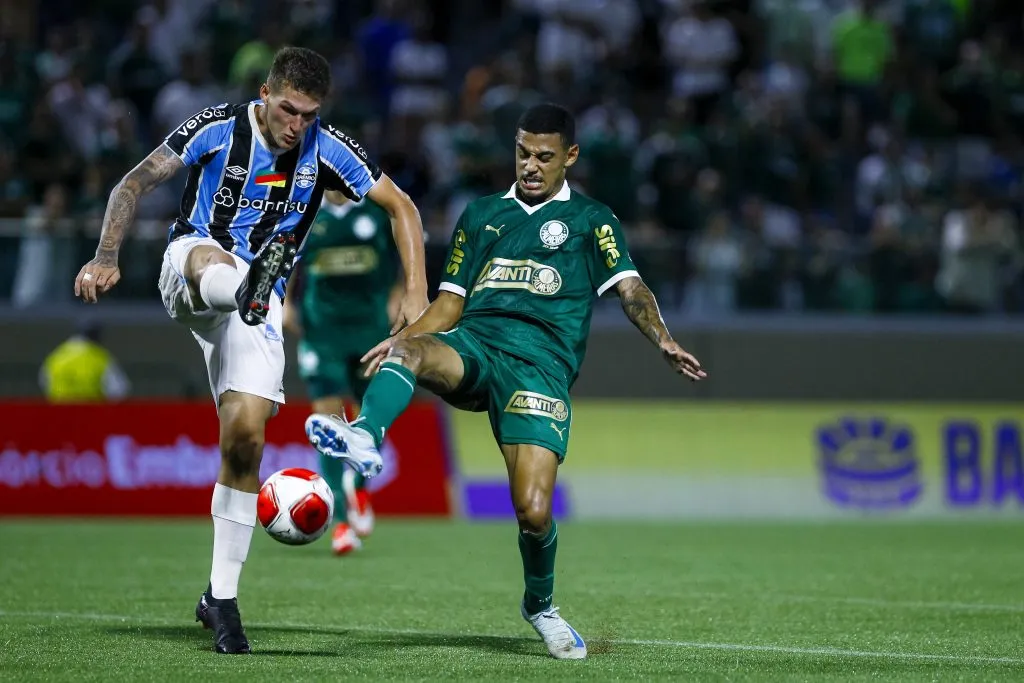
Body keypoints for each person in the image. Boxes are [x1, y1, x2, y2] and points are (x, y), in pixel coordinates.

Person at [306, 103, 706, 659]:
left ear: (570, 157)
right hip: (476, 346)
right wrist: (404, 337)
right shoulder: (481, 214)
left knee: (534, 510)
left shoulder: (594, 220)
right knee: (413, 350)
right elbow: (449, 305)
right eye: (523, 153)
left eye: (544, 156)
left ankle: (540, 605)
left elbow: (631, 288)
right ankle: (366, 435)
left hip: (540, 367)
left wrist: (662, 337)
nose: (531, 165)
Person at [73, 46, 429, 655]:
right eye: (289, 110)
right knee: (214, 259)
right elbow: (135, 181)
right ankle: (248, 283)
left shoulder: (328, 146)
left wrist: (417, 293)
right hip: (193, 271)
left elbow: (403, 206)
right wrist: (107, 255)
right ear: (266, 93)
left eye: (309, 115)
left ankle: (221, 599)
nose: (297, 125)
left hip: (255, 312)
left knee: (245, 439)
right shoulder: (216, 127)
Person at [283, 188, 404, 554]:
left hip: (370, 328)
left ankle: (359, 487)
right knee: (328, 425)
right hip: (322, 332)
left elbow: (404, 255)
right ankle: (339, 524)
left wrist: (400, 295)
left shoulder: (379, 212)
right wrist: (287, 303)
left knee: (373, 413)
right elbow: (286, 258)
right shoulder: (305, 212)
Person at [39, 320, 131, 402]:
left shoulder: (56, 357)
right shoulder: (100, 358)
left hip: (59, 415)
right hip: (90, 415)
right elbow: (119, 391)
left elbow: (44, 381)